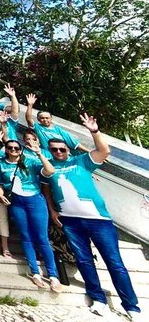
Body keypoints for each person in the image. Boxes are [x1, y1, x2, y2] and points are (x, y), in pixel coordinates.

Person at [41, 114, 141, 318]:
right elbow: (47, 190)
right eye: (54, 149)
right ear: (49, 151)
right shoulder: (49, 168)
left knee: (114, 262)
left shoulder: (82, 161)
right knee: (84, 260)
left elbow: (104, 151)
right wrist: (52, 211)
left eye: (62, 149)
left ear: (68, 150)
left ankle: (131, 306)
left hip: (98, 220)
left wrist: (94, 132)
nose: (58, 152)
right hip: (70, 221)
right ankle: (98, 298)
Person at [0, 133, 62, 292]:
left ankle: (53, 275)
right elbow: (0, 182)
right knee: (26, 237)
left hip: (35, 199)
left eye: (16, 148)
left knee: (42, 237)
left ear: (21, 151)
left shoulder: (30, 161)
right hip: (17, 202)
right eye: (10, 148)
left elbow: (50, 171)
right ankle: (35, 272)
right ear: (6, 150)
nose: (13, 150)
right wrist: (0, 193)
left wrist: (39, 153)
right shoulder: (1, 164)